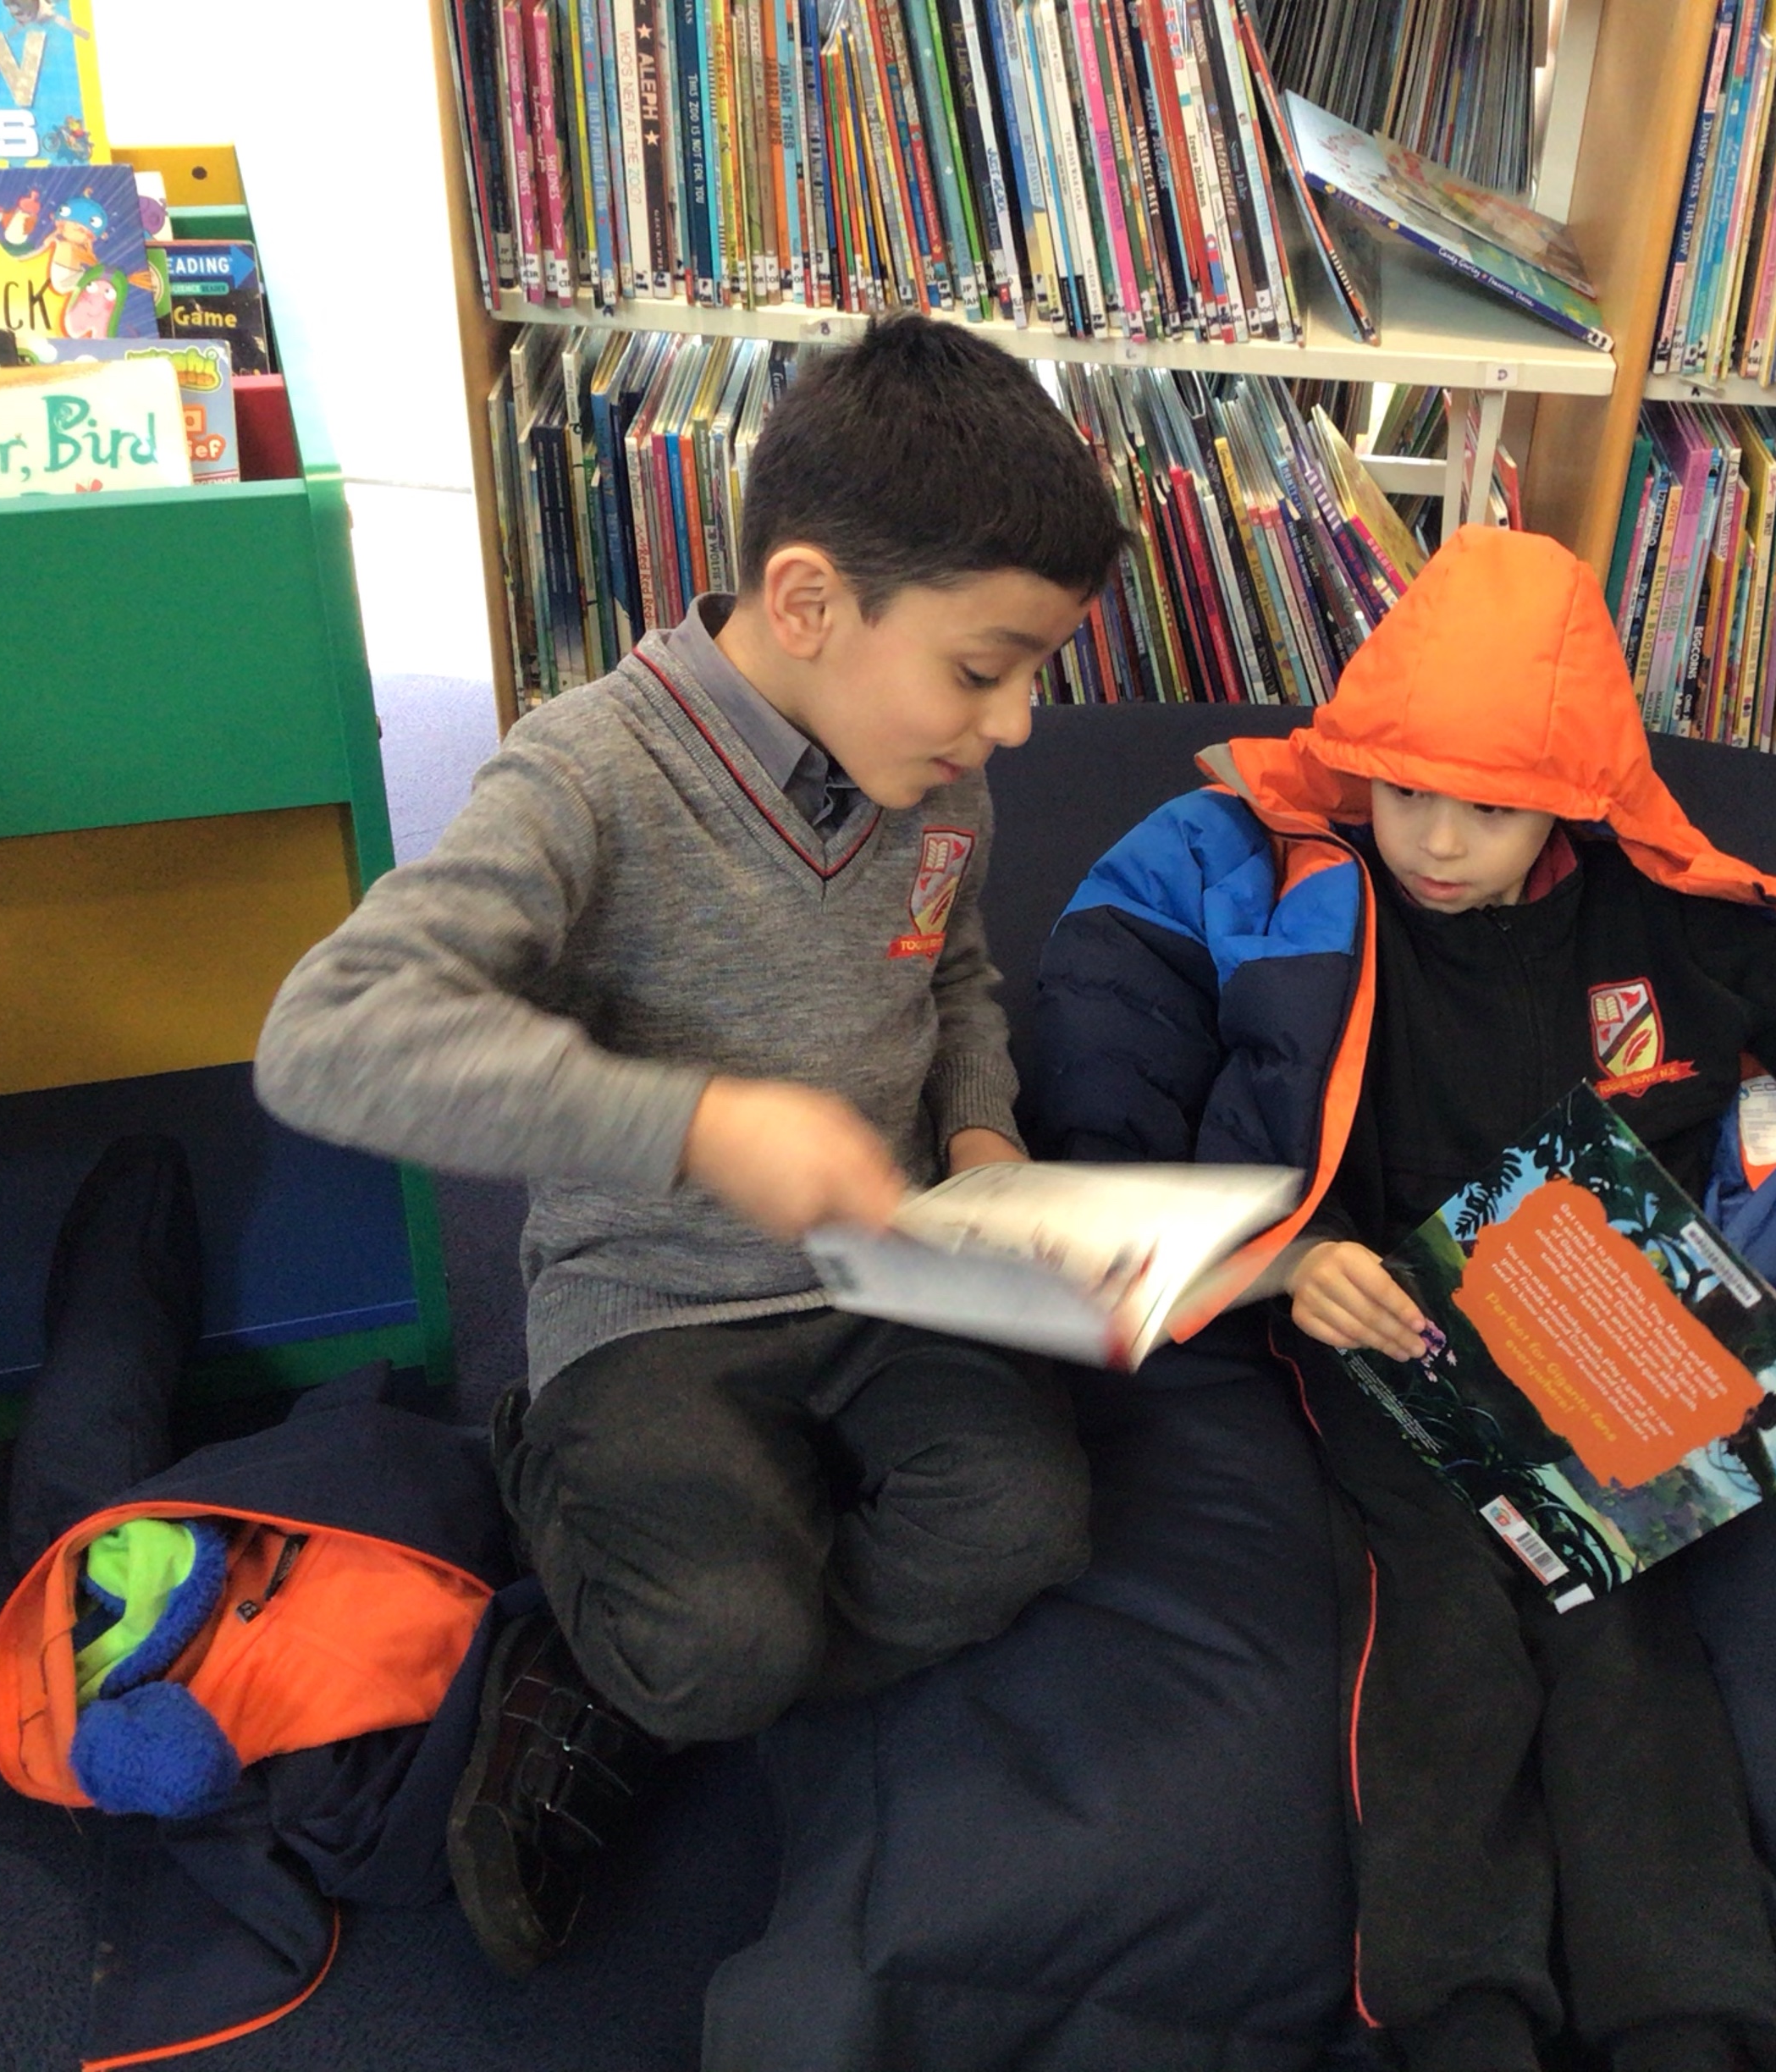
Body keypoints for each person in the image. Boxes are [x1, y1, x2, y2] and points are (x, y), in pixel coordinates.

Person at [1031, 525, 1776, 2072]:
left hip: (1602, 1325)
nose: (1438, 840)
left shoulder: (1646, 911)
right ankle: (1461, 2010)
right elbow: (1126, 1055)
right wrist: (1279, 1264)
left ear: (1570, 805)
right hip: (1387, 1318)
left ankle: (1686, 2017)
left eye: (1490, 808)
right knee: (1443, 1626)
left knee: (1629, 1643)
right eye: (1407, 793)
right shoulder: (1302, 885)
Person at [252, 316, 1128, 1974]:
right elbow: (330, 1032)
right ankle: (601, 1621)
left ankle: (701, 1639)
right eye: (983, 669)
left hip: (886, 1282)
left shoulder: (937, 777)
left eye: (1033, 677)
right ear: (807, 603)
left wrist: (981, 1131)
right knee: (720, 1639)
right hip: (651, 1303)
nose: (1016, 725)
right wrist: (699, 1125)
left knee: (1023, 1529)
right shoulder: (586, 773)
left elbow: (953, 974)